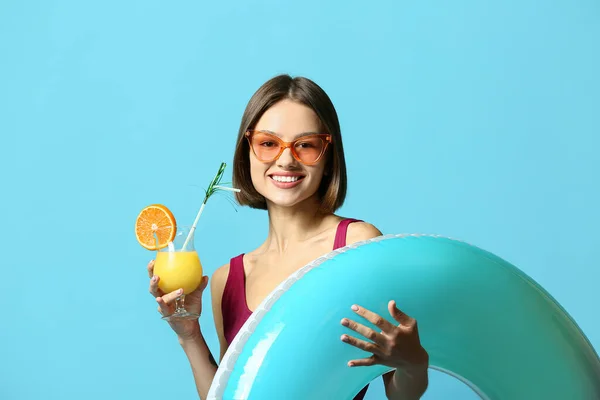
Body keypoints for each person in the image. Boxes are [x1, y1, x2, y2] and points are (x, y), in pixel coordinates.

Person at [147, 74, 429, 399]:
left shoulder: (357, 243)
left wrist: (414, 363)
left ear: (328, 156)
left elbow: (399, 393)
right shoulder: (228, 279)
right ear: (247, 151)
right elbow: (230, 395)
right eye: (268, 143)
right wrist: (189, 334)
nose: (285, 159)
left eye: (305, 145)